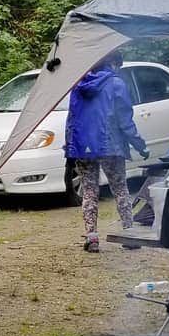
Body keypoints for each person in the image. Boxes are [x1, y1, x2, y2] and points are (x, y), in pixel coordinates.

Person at [64, 50, 149, 252]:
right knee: (120, 189)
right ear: (113, 63)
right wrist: (139, 145)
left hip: (84, 146)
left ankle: (92, 237)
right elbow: (125, 121)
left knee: (89, 191)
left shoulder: (78, 85)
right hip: (110, 144)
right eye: (118, 65)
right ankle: (129, 236)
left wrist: (70, 147)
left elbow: (72, 119)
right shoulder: (116, 84)